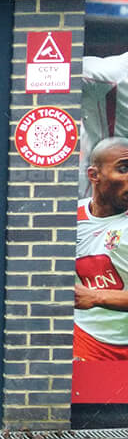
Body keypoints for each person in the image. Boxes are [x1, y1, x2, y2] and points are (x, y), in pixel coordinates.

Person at [75, 136, 128, 361]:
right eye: (123, 169)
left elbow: (91, 296)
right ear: (94, 175)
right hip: (86, 341)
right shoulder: (70, 219)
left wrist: (96, 296)